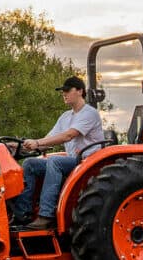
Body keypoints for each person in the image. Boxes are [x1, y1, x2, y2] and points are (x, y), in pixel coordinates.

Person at [12, 75, 106, 231]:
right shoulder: (66, 116)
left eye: (67, 90)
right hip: (72, 159)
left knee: (54, 162)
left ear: (80, 91)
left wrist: (38, 143)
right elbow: (48, 139)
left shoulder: (89, 113)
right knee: (30, 164)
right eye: (63, 91)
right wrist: (19, 146)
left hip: (87, 161)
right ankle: (23, 213)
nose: (64, 94)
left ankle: (46, 215)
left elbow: (68, 135)